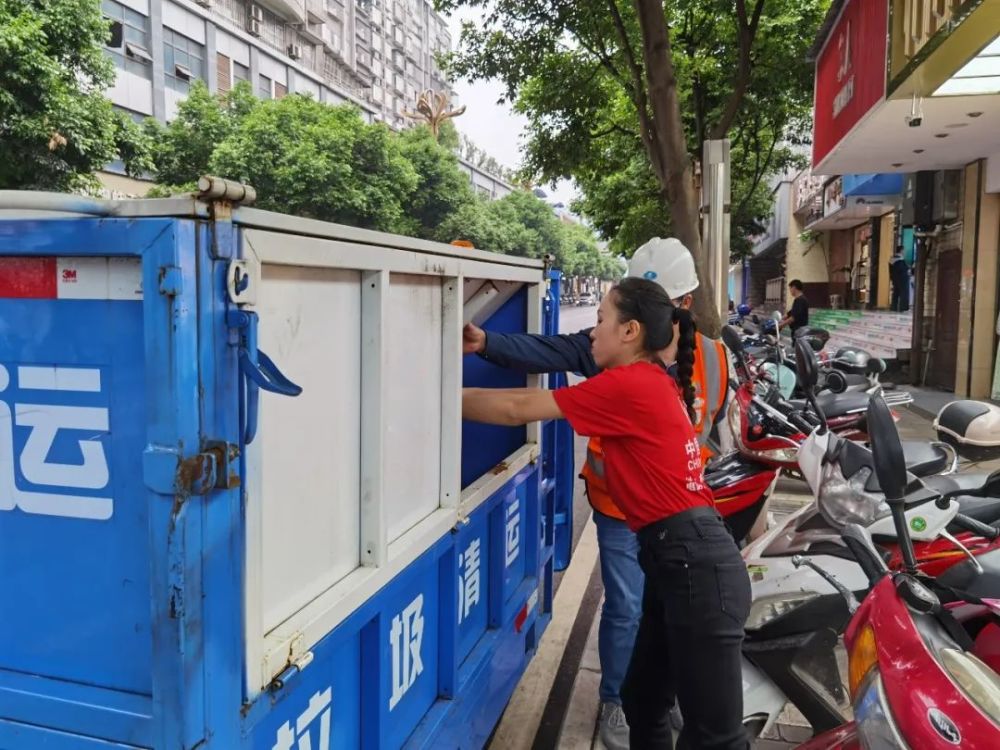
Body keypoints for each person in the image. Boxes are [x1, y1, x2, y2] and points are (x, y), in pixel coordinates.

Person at [462, 237, 729, 749]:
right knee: (633, 630)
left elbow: (520, 409)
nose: (592, 331)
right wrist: (489, 344)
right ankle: (619, 702)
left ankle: (648, 701)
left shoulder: (668, 369)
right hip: (626, 514)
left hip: (685, 542)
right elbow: (554, 350)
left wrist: (427, 394)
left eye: (603, 317)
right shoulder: (623, 361)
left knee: (697, 703)